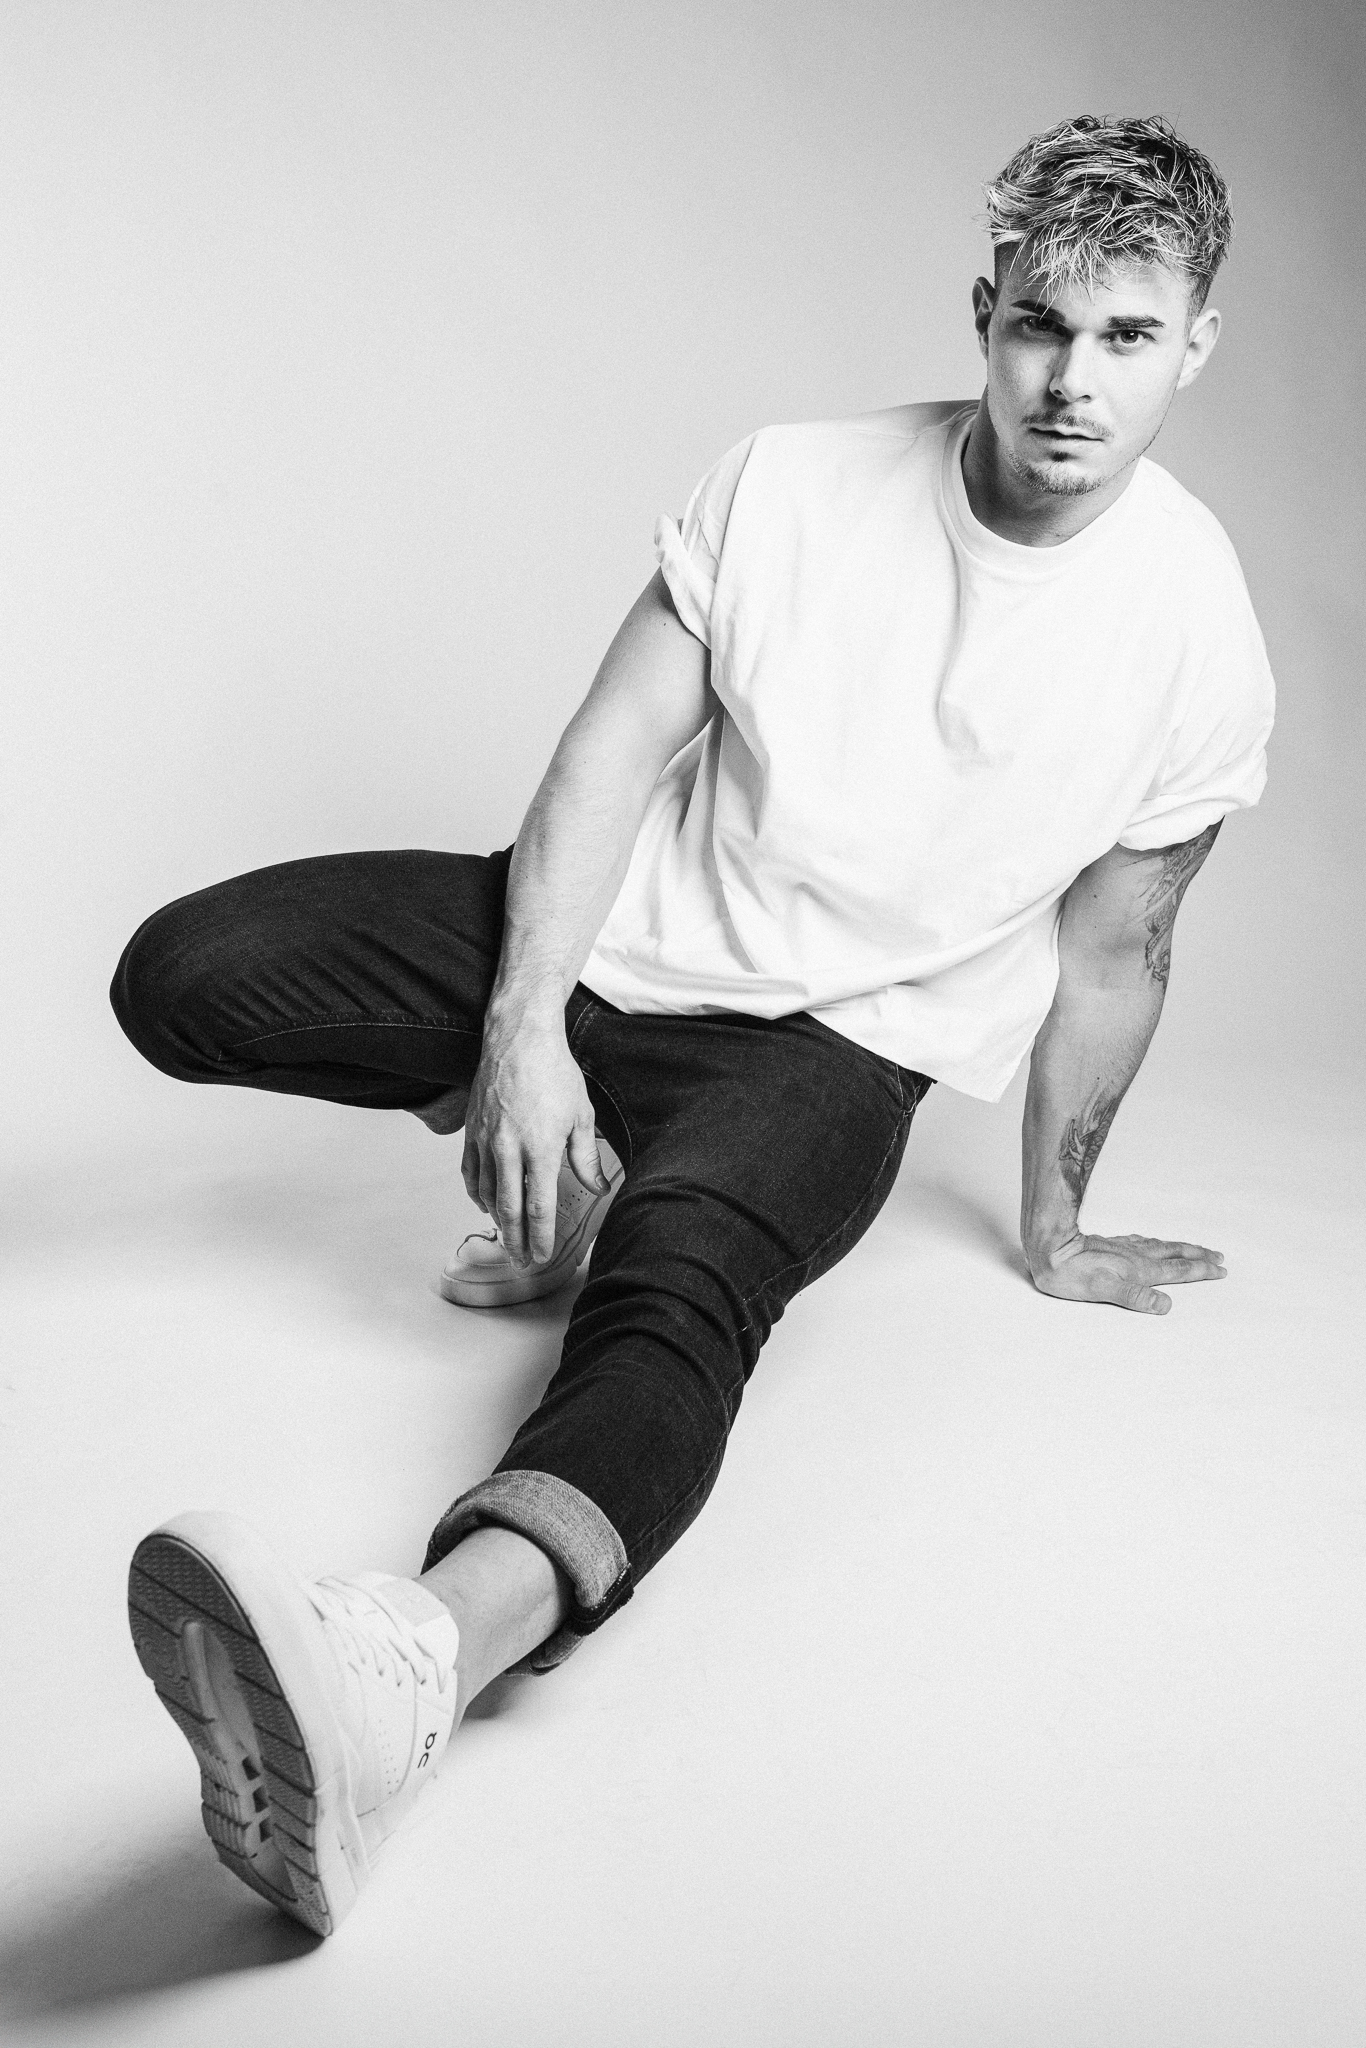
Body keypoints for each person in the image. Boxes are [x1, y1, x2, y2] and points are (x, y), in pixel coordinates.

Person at [111, 113, 1275, 1938]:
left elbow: (1119, 950)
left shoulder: (1195, 632)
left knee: (678, 1294)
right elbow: (607, 755)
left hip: (826, 1047)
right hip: (609, 951)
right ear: (982, 313)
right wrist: (521, 1039)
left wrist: (1051, 1227)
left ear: (1193, 345)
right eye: (1040, 325)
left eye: (1127, 338)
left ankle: (403, 1675)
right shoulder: (792, 484)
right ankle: (543, 1141)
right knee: (187, 972)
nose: (1071, 382)